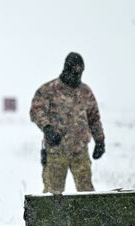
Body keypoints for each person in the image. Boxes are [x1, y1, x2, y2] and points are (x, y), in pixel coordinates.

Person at [30, 52, 105, 193]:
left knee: (87, 193)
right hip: (56, 151)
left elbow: (94, 118)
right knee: (52, 196)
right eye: (74, 71)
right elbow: (36, 111)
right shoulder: (49, 90)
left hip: (80, 150)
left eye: (80, 72)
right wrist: (47, 128)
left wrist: (100, 140)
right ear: (66, 69)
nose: (76, 76)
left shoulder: (85, 92)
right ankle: (50, 216)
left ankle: (87, 216)